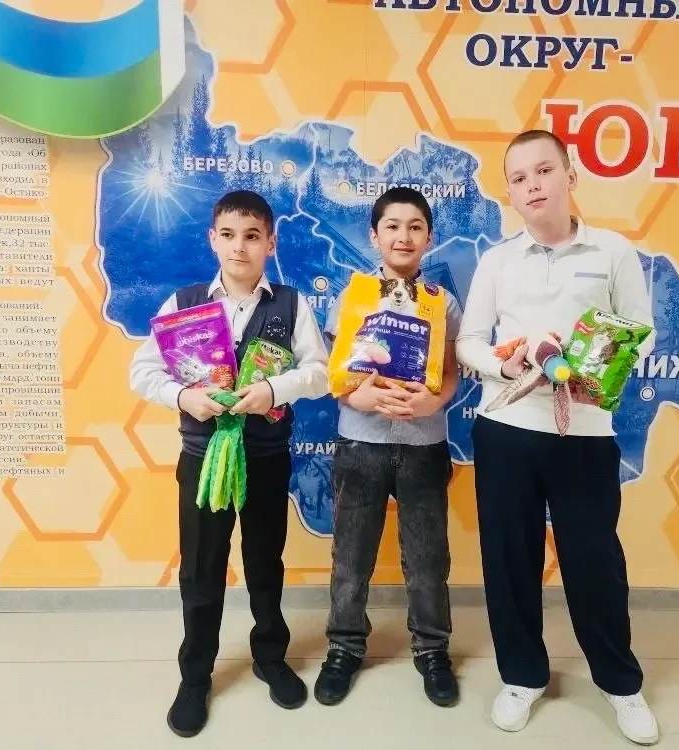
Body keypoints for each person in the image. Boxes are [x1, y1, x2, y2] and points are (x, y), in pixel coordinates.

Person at [455, 130, 659, 745]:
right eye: (519, 178)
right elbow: (469, 342)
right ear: (510, 193)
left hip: (585, 434)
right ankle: (522, 676)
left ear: (570, 176)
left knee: (595, 562)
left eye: (544, 170)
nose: (533, 185)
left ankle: (620, 682)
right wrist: (506, 364)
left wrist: (594, 357)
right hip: (507, 429)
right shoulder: (497, 260)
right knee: (509, 560)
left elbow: (643, 331)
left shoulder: (613, 251)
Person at [129, 190, 329, 738]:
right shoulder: (184, 303)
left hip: (265, 459)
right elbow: (143, 372)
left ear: (271, 243)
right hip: (202, 460)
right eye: (228, 235)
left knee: (265, 563)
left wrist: (273, 390)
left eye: (252, 236)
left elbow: (319, 372)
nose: (240, 247)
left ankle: (270, 656)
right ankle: (195, 676)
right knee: (201, 568)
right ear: (212, 239)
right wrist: (182, 396)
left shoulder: (291, 305)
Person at [313, 187, 462, 708]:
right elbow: (336, 370)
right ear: (374, 236)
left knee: (427, 560)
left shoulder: (443, 303)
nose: (404, 236)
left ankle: (432, 650)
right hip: (361, 443)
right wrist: (357, 395)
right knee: (351, 558)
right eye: (393, 226)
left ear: (429, 238)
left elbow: (451, 372)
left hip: (424, 444)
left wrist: (433, 402)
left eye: (415, 226)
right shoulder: (352, 296)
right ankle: (344, 648)